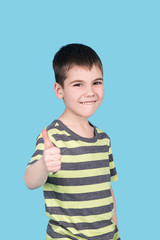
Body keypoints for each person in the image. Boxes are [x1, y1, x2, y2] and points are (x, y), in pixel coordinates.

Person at [24, 43, 120, 240]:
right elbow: (30, 181)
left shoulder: (104, 140)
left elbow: (107, 190)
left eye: (97, 82)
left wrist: (116, 232)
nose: (90, 92)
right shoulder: (52, 138)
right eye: (78, 84)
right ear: (59, 91)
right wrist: (44, 164)